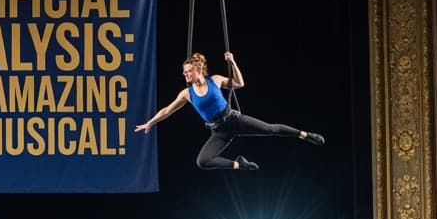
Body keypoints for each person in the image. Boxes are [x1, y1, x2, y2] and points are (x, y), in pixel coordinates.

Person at [135, 51, 324, 171]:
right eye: (184, 72)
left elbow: (240, 83)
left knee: (269, 129)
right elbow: (167, 110)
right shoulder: (186, 93)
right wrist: (150, 122)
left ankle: (305, 134)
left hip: (234, 120)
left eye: (188, 71)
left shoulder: (215, 80)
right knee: (203, 161)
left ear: (198, 69)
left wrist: (232, 62)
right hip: (219, 131)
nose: (185, 74)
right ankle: (239, 164)